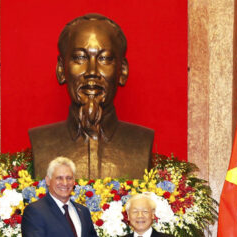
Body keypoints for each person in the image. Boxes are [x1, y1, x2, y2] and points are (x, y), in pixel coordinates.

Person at [30, 13, 153, 180]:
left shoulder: (141, 142)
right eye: (80, 57)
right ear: (61, 69)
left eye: (105, 58)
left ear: (122, 70)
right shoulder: (41, 143)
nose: (92, 72)